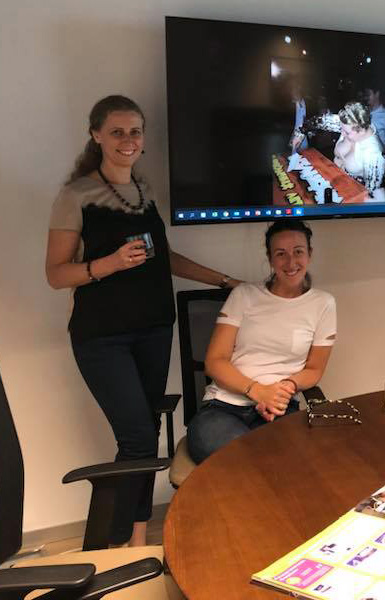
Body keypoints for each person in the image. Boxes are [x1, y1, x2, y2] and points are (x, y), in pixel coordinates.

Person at [45, 95, 242, 547]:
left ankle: (136, 539)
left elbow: (165, 258)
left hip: (154, 328)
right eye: (117, 131)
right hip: (102, 338)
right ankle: (112, 545)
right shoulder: (75, 195)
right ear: (96, 135)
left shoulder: (144, 190)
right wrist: (109, 264)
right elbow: (55, 274)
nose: (128, 140)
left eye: (135, 131)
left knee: (146, 432)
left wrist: (224, 280)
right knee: (135, 436)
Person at [187, 219, 336, 464]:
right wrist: (258, 391)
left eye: (298, 252)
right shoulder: (243, 295)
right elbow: (215, 361)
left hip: (279, 409)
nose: (291, 262)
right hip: (223, 408)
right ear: (270, 258)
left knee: (279, 459)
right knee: (245, 458)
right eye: (281, 254)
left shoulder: (323, 304)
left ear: (310, 254)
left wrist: (282, 390)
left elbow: (314, 369)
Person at [334, 102, 385, 202]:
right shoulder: (350, 124)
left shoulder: (373, 153)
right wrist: (303, 130)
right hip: (332, 178)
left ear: (361, 131)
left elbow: (373, 195)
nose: (342, 133)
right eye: (341, 129)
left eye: (346, 132)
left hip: (350, 194)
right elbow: (320, 121)